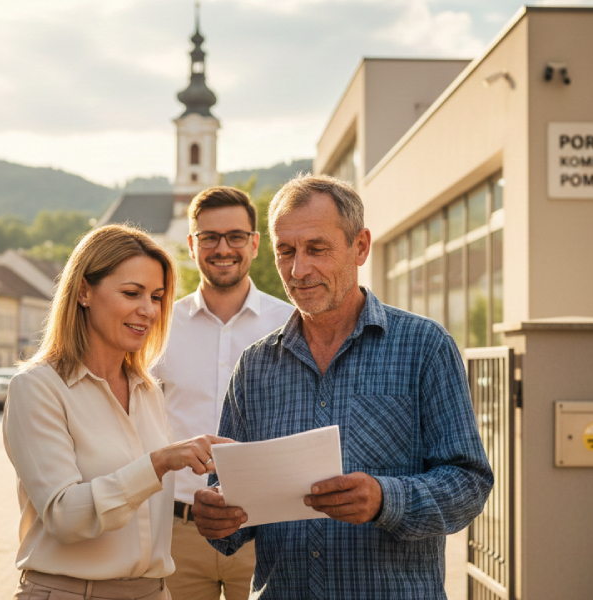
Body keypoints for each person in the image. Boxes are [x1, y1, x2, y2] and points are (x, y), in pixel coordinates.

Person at [191, 175, 494, 599]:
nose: (298, 270)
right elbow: (226, 502)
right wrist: (216, 519)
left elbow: (470, 483)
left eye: (316, 249)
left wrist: (385, 498)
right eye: (286, 251)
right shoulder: (255, 367)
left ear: (361, 247)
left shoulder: (424, 346)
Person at [3, 224, 232, 600]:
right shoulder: (37, 387)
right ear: (83, 292)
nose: (149, 310)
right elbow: (64, 516)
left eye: (157, 297)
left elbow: (143, 510)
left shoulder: (148, 391)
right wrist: (158, 463)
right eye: (132, 293)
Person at [155, 187, 294, 600]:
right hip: (180, 531)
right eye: (210, 237)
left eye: (235, 236)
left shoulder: (290, 324)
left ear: (254, 243)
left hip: (266, 529)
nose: (222, 248)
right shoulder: (161, 327)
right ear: (192, 244)